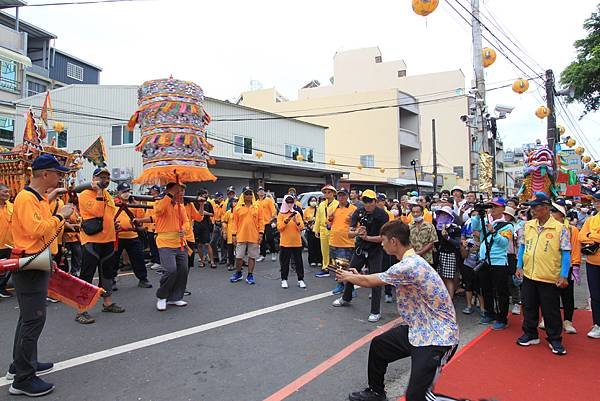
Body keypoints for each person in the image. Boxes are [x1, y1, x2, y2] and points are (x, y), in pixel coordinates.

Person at [336, 220, 458, 401]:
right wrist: (357, 276)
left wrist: (348, 277)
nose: (382, 243)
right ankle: (376, 392)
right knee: (380, 345)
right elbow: (379, 278)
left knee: (416, 397)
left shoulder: (409, 265)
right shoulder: (409, 262)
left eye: (383, 240)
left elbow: (371, 282)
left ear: (393, 241)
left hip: (438, 336)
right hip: (419, 328)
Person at [6, 154, 73, 397]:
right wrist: (61, 216)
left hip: (38, 261)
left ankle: (21, 365)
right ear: (45, 174)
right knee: (33, 319)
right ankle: (23, 379)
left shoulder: (37, 198)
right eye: (57, 173)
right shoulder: (26, 198)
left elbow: (42, 230)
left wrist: (50, 259)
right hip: (30, 265)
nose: (59, 177)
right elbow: (37, 230)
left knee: (27, 318)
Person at [516, 192, 570, 355]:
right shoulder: (528, 225)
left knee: (550, 309)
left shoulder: (560, 228)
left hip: (548, 275)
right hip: (529, 274)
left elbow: (566, 252)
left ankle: (555, 339)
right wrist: (519, 266)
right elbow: (522, 246)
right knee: (529, 306)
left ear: (546, 208)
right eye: (532, 207)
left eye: (536, 207)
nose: (533, 210)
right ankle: (530, 334)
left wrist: (564, 274)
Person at [332, 189, 389, 322]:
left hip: (375, 250)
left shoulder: (382, 215)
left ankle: (375, 311)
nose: (367, 204)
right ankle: (346, 298)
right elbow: (349, 233)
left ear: (375, 201)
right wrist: (358, 232)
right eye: (365, 201)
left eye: (370, 201)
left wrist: (367, 237)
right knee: (350, 273)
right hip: (360, 248)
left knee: (375, 279)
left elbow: (384, 237)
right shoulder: (358, 211)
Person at [77, 167, 125, 324]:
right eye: (101, 177)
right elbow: (97, 213)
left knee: (107, 274)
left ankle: (107, 302)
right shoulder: (84, 195)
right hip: (92, 241)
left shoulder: (107, 195)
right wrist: (98, 192)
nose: (105, 180)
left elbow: (108, 214)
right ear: (94, 178)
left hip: (108, 240)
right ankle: (82, 310)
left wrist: (114, 224)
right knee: (87, 275)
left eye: (107, 177)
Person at [471, 198, 514, 329]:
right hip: (484, 261)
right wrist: (478, 214)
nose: (493, 209)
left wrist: (494, 232)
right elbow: (475, 227)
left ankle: (502, 317)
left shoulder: (507, 225)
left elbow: (504, 243)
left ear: (503, 209)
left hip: (498, 262)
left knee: (501, 291)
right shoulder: (487, 221)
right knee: (486, 289)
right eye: (492, 206)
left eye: (496, 206)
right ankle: (489, 312)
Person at [150, 182, 191, 311]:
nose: (181, 194)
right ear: (170, 191)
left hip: (180, 242)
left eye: (182, 191)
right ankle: (162, 296)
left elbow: (186, 222)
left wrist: (184, 229)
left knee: (183, 269)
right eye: (179, 191)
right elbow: (158, 211)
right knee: (170, 270)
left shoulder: (181, 206)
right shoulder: (160, 202)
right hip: (165, 242)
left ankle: (175, 297)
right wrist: (170, 194)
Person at [113, 183, 152, 288]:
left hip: (132, 236)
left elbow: (140, 219)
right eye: (124, 191)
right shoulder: (113, 203)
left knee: (138, 259)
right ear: (118, 192)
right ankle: (111, 281)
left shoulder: (134, 204)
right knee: (113, 261)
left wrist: (136, 204)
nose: (126, 194)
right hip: (117, 236)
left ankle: (143, 279)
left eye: (128, 191)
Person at [550, 201, 580, 334]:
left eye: (554, 211)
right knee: (550, 295)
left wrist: (575, 266)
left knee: (567, 296)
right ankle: (548, 318)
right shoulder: (548, 227)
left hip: (567, 266)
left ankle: (568, 321)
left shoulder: (572, 229)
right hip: (550, 266)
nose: (551, 214)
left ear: (562, 214)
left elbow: (575, 249)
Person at [577, 191, 600, 339]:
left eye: (598, 201)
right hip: (593, 262)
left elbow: (588, 237)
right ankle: (598, 324)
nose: (596, 203)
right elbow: (581, 237)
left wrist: (592, 237)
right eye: (595, 201)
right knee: (596, 295)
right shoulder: (591, 220)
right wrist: (595, 238)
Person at [229, 187, 263, 285]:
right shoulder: (237, 208)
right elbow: (234, 222)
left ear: (252, 195)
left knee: (252, 257)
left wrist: (261, 233)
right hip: (241, 235)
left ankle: (250, 275)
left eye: (250, 194)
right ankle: (238, 273)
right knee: (239, 257)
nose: (248, 196)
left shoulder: (257, 207)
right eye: (246, 194)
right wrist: (234, 235)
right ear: (243, 196)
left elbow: (261, 221)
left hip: (254, 235)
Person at [328, 188, 357, 294]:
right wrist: (330, 219)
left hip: (346, 242)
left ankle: (350, 289)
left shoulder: (353, 209)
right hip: (334, 241)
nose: (341, 197)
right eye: (339, 195)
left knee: (347, 267)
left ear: (347, 196)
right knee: (338, 267)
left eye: (343, 195)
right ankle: (340, 285)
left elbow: (357, 226)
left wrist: (352, 221)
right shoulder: (334, 208)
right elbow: (329, 225)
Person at [277, 195, 306, 289]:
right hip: (285, 242)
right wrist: (286, 220)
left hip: (297, 242)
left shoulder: (297, 213)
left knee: (299, 262)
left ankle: (300, 279)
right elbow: (279, 228)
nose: (289, 204)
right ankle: (284, 279)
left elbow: (301, 227)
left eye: (291, 202)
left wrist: (296, 221)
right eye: (288, 202)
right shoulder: (281, 214)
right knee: (285, 262)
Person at [434, 206, 462, 298]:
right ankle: (442, 297)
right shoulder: (437, 228)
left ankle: (450, 297)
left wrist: (448, 237)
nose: (443, 216)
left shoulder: (455, 228)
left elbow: (458, 243)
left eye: (445, 214)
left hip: (450, 254)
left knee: (448, 278)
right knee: (440, 277)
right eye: (441, 214)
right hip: (440, 253)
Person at [314, 184, 339, 277]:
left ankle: (337, 269)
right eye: (325, 192)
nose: (327, 194)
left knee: (334, 250)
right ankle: (325, 268)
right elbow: (318, 218)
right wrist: (316, 230)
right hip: (323, 229)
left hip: (333, 229)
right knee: (324, 250)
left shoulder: (337, 204)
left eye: (329, 192)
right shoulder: (321, 204)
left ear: (333, 193)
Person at [193, 189, 215, 268]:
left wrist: (206, 213)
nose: (205, 196)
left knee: (207, 243)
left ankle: (212, 261)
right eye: (203, 194)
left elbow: (212, 214)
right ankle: (202, 261)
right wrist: (202, 212)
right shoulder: (195, 203)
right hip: (197, 225)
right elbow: (196, 213)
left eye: (205, 194)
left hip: (206, 225)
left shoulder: (209, 203)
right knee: (199, 244)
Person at [0, 184, 14, 298]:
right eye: (4, 192)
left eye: (8, 192)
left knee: (9, 267)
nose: (7, 194)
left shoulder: (12, 206)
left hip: (10, 244)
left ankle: (2, 287)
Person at [257, 187, 278, 262]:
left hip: (268, 223)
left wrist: (273, 220)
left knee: (270, 238)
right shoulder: (256, 202)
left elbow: (273, 210)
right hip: (260, 224)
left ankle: (273, 252)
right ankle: (262, 255)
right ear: (257, 193)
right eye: (260, 191)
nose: (261, 192)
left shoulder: (268, 200)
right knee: (261, 240)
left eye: (262, 191)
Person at [144, 185, 161, 270]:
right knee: (151, 244)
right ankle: (153, 259)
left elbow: (156, 215)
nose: (151, 191)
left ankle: (158, 261)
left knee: (156, 245)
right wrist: (145, 225)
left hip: (155, 225)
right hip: (149, 226)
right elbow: (147, 213)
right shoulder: (150, 199)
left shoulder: (158, 200)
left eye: (152, 190)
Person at [303, 195, 322, 267]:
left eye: (314, 201)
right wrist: (308, 223)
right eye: (312, 201)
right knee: (311, 246)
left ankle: (319, 260)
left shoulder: (319, 209)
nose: (313, 202)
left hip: (317, 229)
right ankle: (312, 260)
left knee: (318, 246)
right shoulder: (306, 210)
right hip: (309, 229)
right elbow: (304, 219)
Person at [221, 197, 238, 270]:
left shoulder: (240, 211)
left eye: (237, 201)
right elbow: (224, 222)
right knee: (230, 249)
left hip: (240, 233)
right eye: (234, 201)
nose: (235, 203)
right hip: (230, 233)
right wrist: (224, 232)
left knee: (239, 250)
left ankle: (239, 264)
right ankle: (231, 263)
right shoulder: (228, 212)